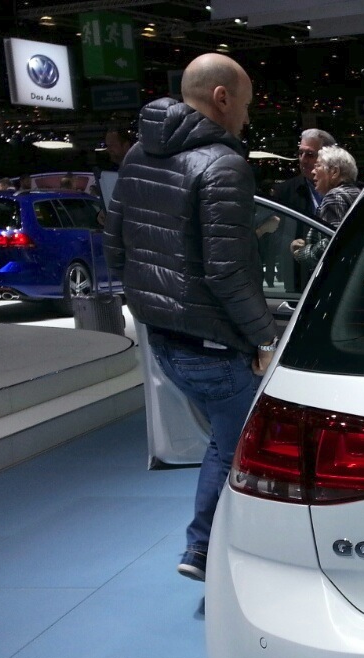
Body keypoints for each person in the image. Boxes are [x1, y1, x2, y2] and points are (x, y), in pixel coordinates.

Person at [104, 53, 278, 582]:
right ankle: (204, 548)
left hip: (163, 340)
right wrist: (265, 338)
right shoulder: (224, 166)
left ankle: (209, 546)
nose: (245, 120)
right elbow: (227, 273)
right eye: (244, 107)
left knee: (224, 444)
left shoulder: (137, 155)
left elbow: (116, 248)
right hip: (215, 345)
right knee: (238, 450)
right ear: (222, 97)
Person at [270, 128, 336, 290]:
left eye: (310, 155)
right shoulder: (284, 191)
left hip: (337, 270)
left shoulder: (345, 190)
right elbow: (272, 233)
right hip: (299, 277)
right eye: (300, 153)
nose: (303, 160)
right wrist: (289, 243)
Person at [290, 145, 360, 267]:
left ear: (334, 172)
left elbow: (333, 243)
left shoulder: (334, 196)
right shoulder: (357, 193)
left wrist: (300, 253)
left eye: (317, 166)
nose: (312, 172)